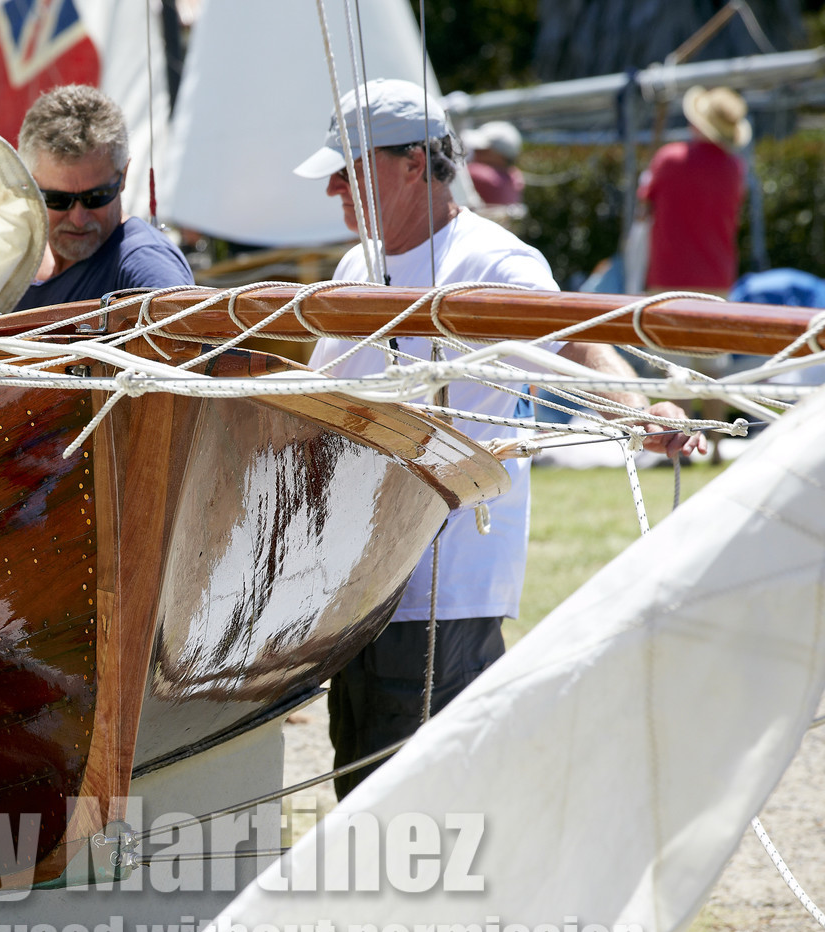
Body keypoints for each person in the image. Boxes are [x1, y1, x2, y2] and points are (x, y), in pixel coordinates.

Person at [292, 79, 704, 798]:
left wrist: (638, 410)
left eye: (350, 169)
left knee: (420, 804)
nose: (334, 188)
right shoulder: (358, 264)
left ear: (415, 163)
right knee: (363, 794)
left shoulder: (494, 263)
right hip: (358, 587)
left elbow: (575, 343)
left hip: (441, 591)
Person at [13, 85, 192, 310]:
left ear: (123, 176)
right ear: (28, 185)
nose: (79, 219)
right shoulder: (4, 256)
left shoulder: (146, 262)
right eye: (59, 199)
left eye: (96, 197)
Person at [640, 86, 749, 296]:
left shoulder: (669, 159)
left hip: (667, 280)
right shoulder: (735, 168)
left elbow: (643, 208)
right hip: (718, 281)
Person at [463, 120, 525, 208]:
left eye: (484, 150)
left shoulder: (480, 175)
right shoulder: (514, 177)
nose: (476, 152)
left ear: (499, 156)